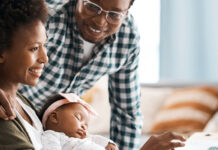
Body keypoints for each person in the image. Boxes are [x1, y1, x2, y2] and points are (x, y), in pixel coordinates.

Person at [0, 0, 186, 149]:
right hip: (14, 114)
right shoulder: (46, 17)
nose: (100, 21)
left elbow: (126, 113)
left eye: (114, 14)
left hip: (33, 117)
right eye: (92, 6)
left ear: (126, 13)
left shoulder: (127, 37)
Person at [0, 0, 48, 149]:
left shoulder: (22, 102)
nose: (45, 58)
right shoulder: (3, 113)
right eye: (34, 48)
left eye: (44, 45)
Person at [40, 92, 118, 150]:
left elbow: (95, 138)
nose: (84, 127)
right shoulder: (51, 136)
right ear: (54, 117)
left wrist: (108, 144)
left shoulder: (85, 138)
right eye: (78, 118)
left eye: (86, 126)